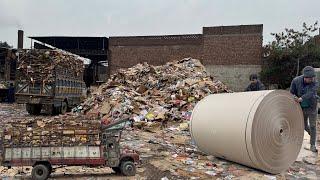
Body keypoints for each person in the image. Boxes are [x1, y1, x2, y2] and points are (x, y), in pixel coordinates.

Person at [290, 66, 318, 153]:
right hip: (301, 107)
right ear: (305, 77)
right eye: (310, 79)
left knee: (313, 125)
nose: (312, 80)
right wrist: (294, 97)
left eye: (313, 78)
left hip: (312, 106)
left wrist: (302, 98)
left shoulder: (315, 82)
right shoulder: (296, 81)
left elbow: (311, 92)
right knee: (304, 126)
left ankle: (312, 145)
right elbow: (291, 92)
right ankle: (311, 133)